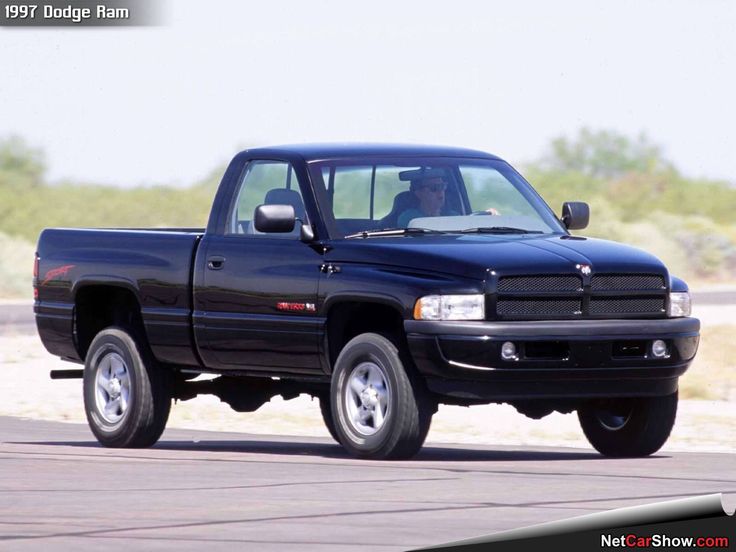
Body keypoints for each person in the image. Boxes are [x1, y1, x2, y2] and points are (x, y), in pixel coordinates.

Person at [396, 171, 499, 227]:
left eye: (443, 186)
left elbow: (469, 228)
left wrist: (487, 218)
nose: (440, 192)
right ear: (419, 193)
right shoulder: (409, 217)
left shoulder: (453, 215)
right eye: (434, 188)